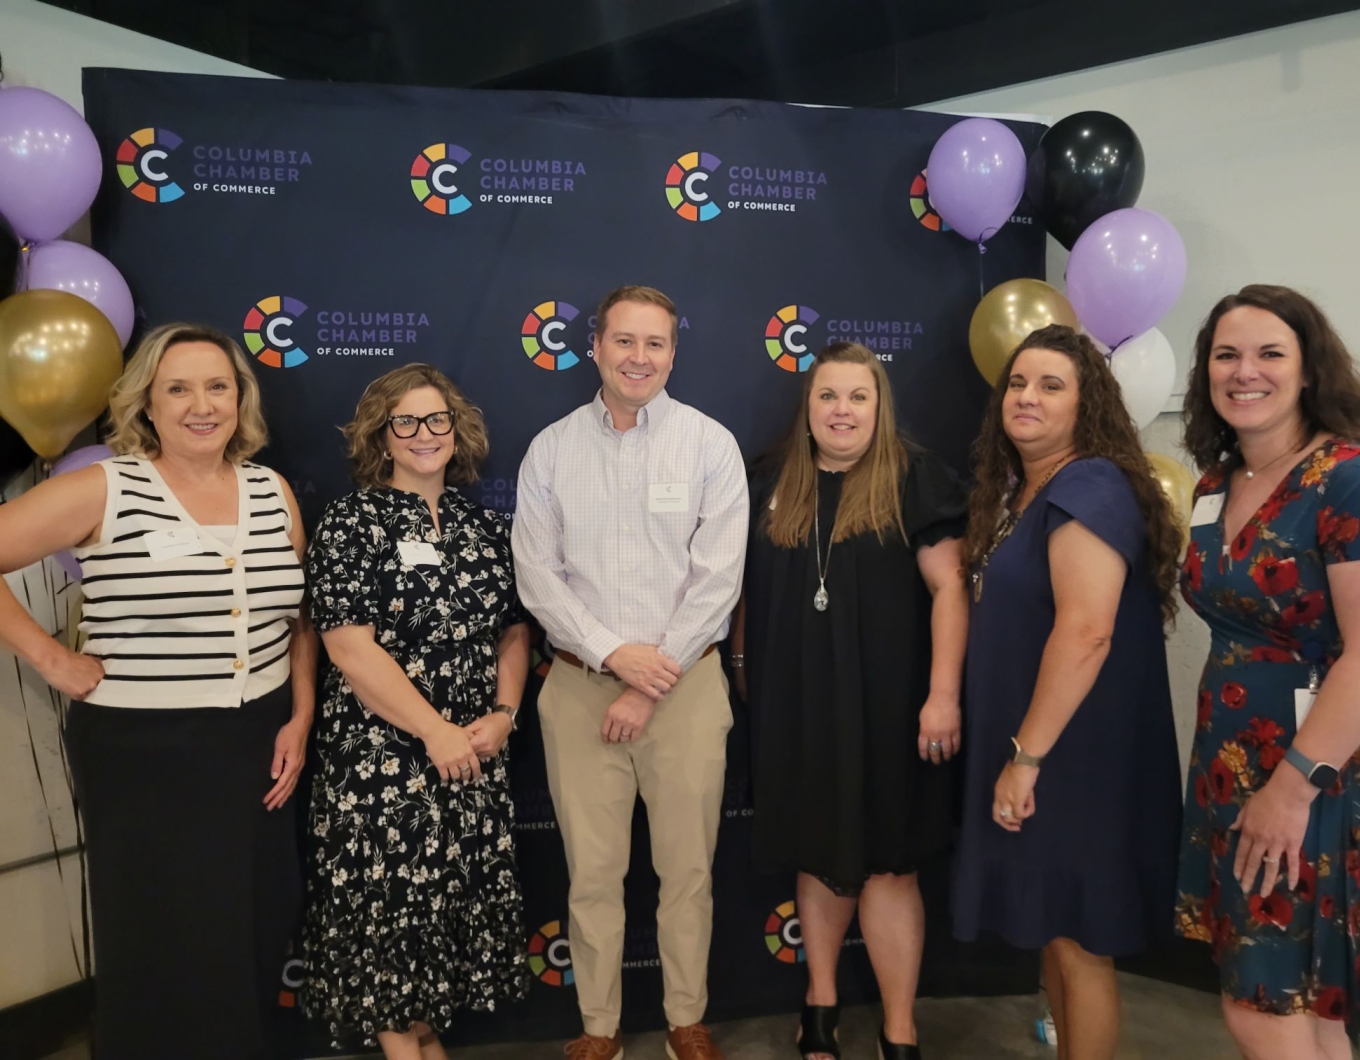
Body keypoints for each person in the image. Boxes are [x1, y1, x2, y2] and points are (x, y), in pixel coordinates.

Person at [0, 323, 314, 1060]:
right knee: (161, 934)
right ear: (147, 403)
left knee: (252, 920)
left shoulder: (271, 490)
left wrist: (300, 715)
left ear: (241, 399)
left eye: (217, 387)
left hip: (257, 743)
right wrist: (50, 658)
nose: (200, 405)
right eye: (178, 388)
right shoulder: (107, 486)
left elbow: (300, 617)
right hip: (145, 751)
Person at [512, 285, 748, 1060]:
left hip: (687, 689)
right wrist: (616, 657)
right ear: (596, 347)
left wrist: (651, 679)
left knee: (687, 871)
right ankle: (598, 1027)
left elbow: (717, 581)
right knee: (592, 875)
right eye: (624, 341)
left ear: (674, 353)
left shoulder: (710, 445)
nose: (638, 357)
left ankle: (687, 1016)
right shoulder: (550, 450)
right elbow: (536, 576)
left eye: (655, 344)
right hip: (581, 688)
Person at [733, 341, 969, 1060]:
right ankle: (820, 1009)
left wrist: (943, 695)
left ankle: (899, 1028)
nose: (842, 411)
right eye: (828, 396)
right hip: (796, 708)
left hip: (893, 710)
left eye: (857, 397)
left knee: (890, 866)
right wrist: (744, 670)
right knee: (818, 855)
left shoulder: (914, 477)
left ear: (879, 406)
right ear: (807, 407)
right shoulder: (771, 478)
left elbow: (951, 590)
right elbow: (741, 593)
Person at [953, 324, 1183, 1060]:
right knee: (1053, 932)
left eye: (1051, 386)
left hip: (1068, 757)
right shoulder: (1028, 491)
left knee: (1079, 941)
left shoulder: (1089, 485)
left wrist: (1026, 757)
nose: (1026, 397)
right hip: (1041, 747)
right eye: (1018, 383)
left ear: (1088, 407)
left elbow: (1087, 631)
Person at [302, 363, 530, 1058]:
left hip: (472, 760)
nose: (424, 434)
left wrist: (503, 712)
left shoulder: (482, 526)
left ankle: (425, 1045)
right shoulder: (351, 522)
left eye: (438, 420)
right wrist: (434, 733)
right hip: (381, 769)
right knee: (389, 936)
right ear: (382, 436)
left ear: (458, 434)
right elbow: (347, 648)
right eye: (406, 421)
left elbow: (514, 630)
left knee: (443, 933)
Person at [1174, 285, 1360, 1060]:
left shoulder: (1343, 477)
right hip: (1230, 762)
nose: (1244, 371)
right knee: (1304, 1005)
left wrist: (1290, 789)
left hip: (1310, 771)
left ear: (1309, 369)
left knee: (1264, 1005)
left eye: (1269, 353)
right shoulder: (1214, 484)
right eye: (1226, 355)